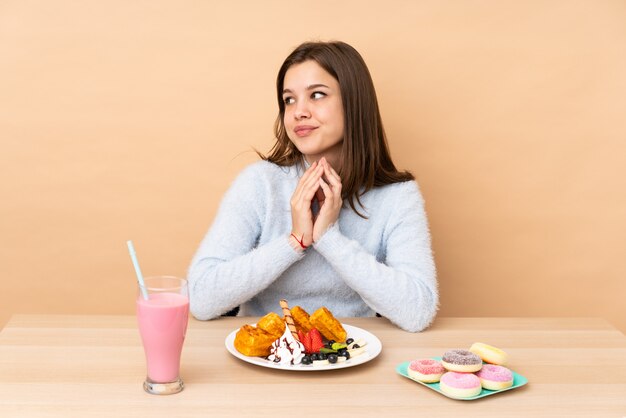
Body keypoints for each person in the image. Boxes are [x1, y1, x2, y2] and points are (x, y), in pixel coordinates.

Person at [188, 41, 437, 332]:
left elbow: (418, 311)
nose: (298, 112)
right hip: (263, 356)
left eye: (317, 95)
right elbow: (201, 297)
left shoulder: (397, 196)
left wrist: (330, 238)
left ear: (354, 102)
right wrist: (294, 241)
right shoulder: (260, 183)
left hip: (351, 355)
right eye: (289, 100)